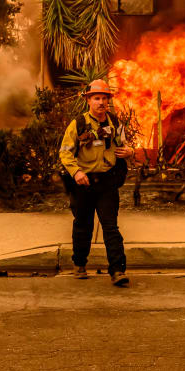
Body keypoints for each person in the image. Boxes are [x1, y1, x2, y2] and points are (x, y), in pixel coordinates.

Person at [59, 79, 136, 287]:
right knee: (83, 225)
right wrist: (76, 173)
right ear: (88, 101)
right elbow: (65, 153)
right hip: (83, 183)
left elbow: (124, 145)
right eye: (97, 98)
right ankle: (80, 264)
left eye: (104, 98)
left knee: (111, 226)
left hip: (106, 183)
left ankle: (117, 271)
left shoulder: (115, 123)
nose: (101, 102)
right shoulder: (78, 124)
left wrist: (129, 151)